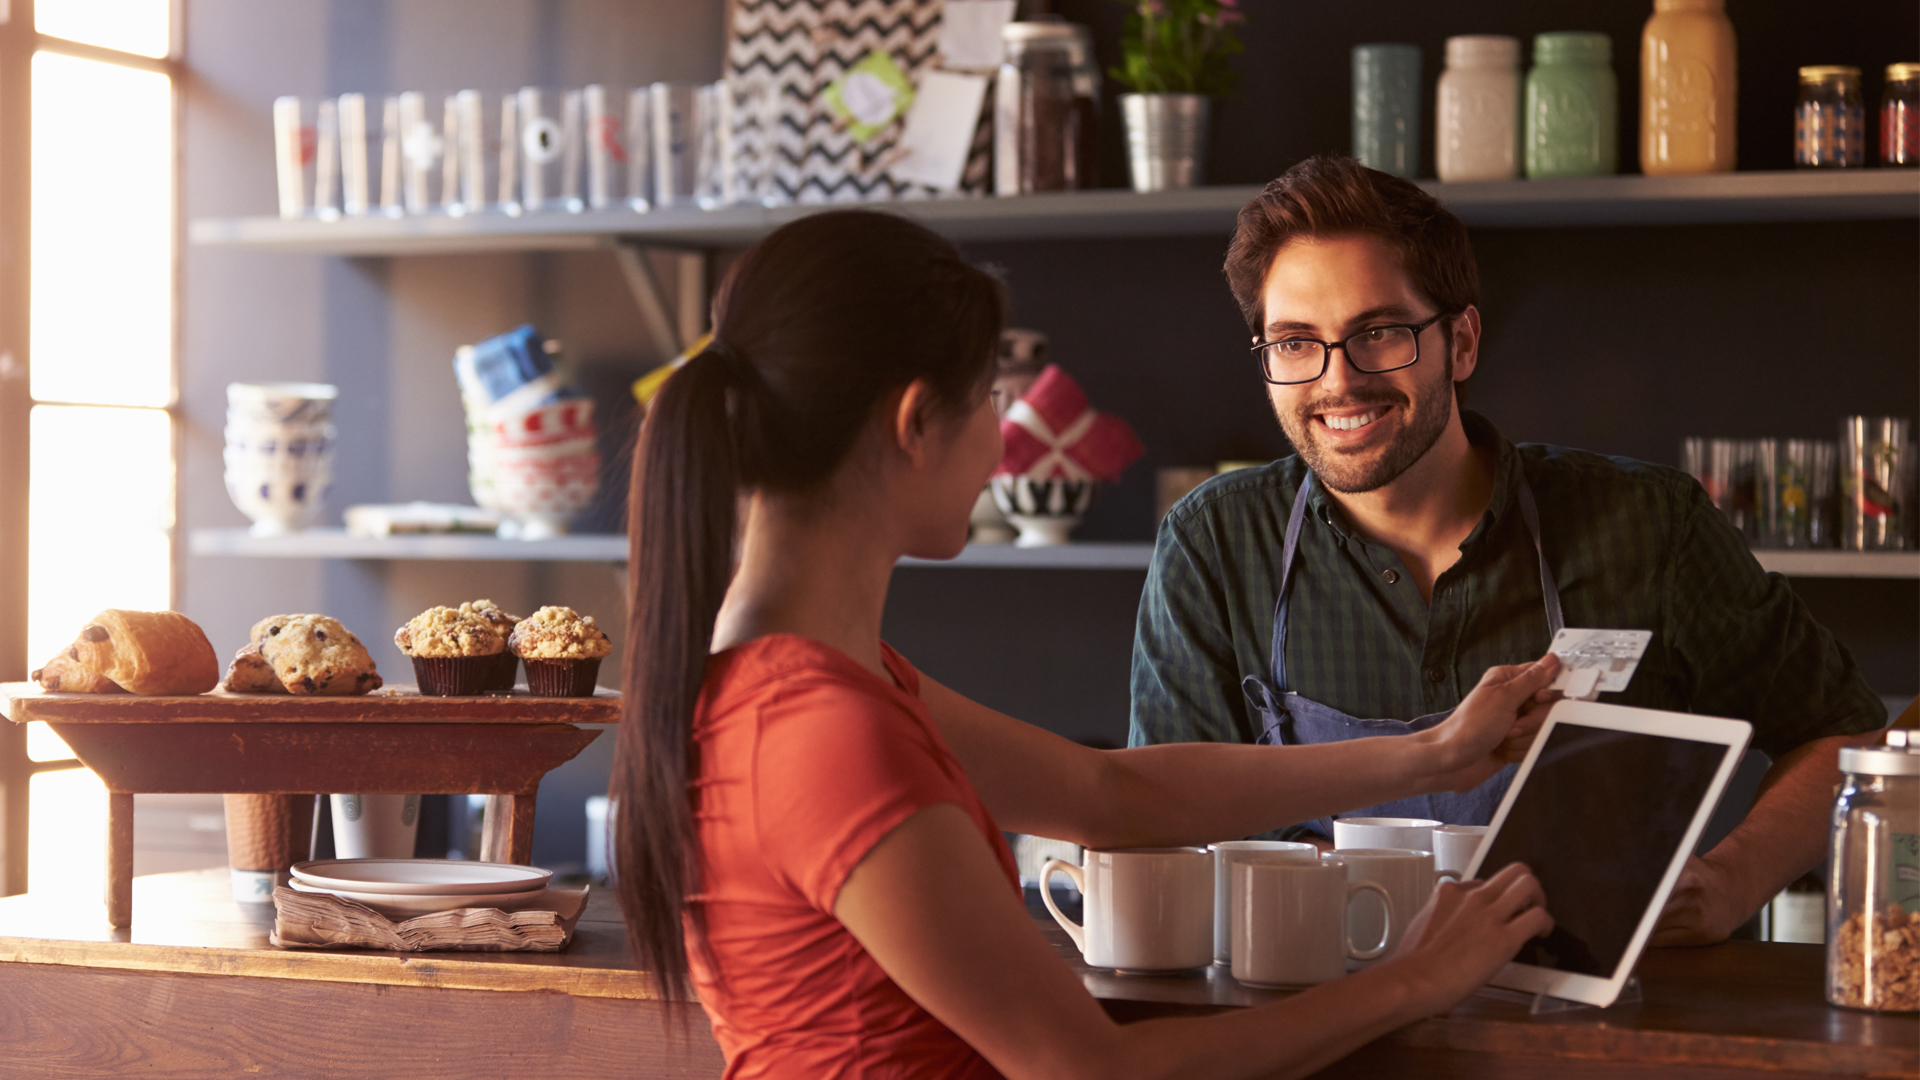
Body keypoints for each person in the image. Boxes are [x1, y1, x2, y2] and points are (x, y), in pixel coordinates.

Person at [611, 209, 1561, 1079]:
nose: (1003, 442)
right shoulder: (821, 726)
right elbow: (1087, 1072)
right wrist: (1408, 981)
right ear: (912, 423)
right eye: (988, 397)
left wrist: (1435, 751)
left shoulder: (803, 677)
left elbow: (1112, 794)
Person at [1128, 155, 1889, 947]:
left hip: (1591, 1039)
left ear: (1460, 342)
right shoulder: (1214, 542)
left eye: (1379, 333)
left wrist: (1732, 883)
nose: (1338, 380)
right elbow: (1158, 815)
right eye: (1294, 343)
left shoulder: (1648, 526)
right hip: (1319, 1031)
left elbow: (1845, 732)